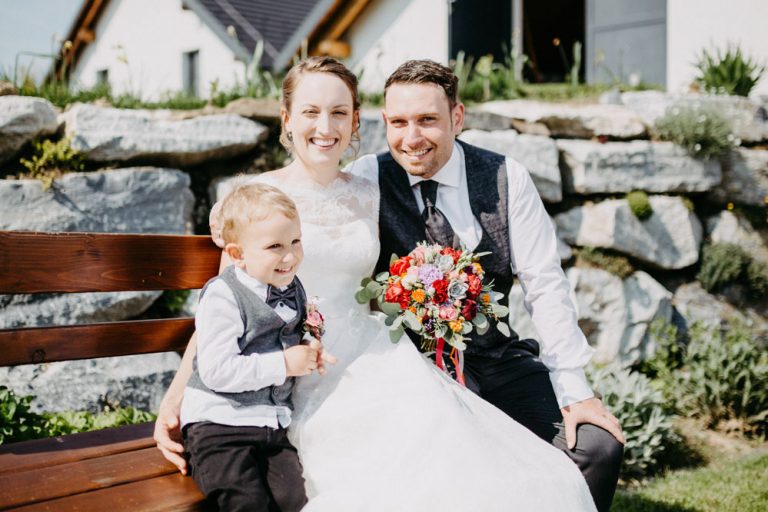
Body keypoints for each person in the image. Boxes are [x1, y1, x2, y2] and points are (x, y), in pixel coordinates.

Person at [156, 56, 599, 511]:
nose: (324, 127)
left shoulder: (369, 186)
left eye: (339, 112)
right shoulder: (252, 201)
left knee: (446, 444)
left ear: (356, 123)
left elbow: (539, 279)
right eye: (310, 111)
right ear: (287, 119)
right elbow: (224, 306)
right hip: (307, 362)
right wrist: (177, 397)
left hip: (381, 352)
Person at [347, 59, 626, 512]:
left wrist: (576, 392)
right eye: (398, 122)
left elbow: (545, 284)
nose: (411, 138)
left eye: (427, 120)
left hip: (498, 358)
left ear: (458, 117)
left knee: (596, 449)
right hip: (412, 371)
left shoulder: (506, 178)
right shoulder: (366, 178)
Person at [181, 183, 322, 511]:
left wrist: (312, 348)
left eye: (296, 241)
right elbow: (216, 371)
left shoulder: (291, 285)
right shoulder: (223, 296)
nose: (290, 256)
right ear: (237, 254)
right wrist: (284, 364)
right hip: (219, 426)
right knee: (246, 502)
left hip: (271, 426)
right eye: (275, 246)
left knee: (300, 500)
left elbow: (295, 332)